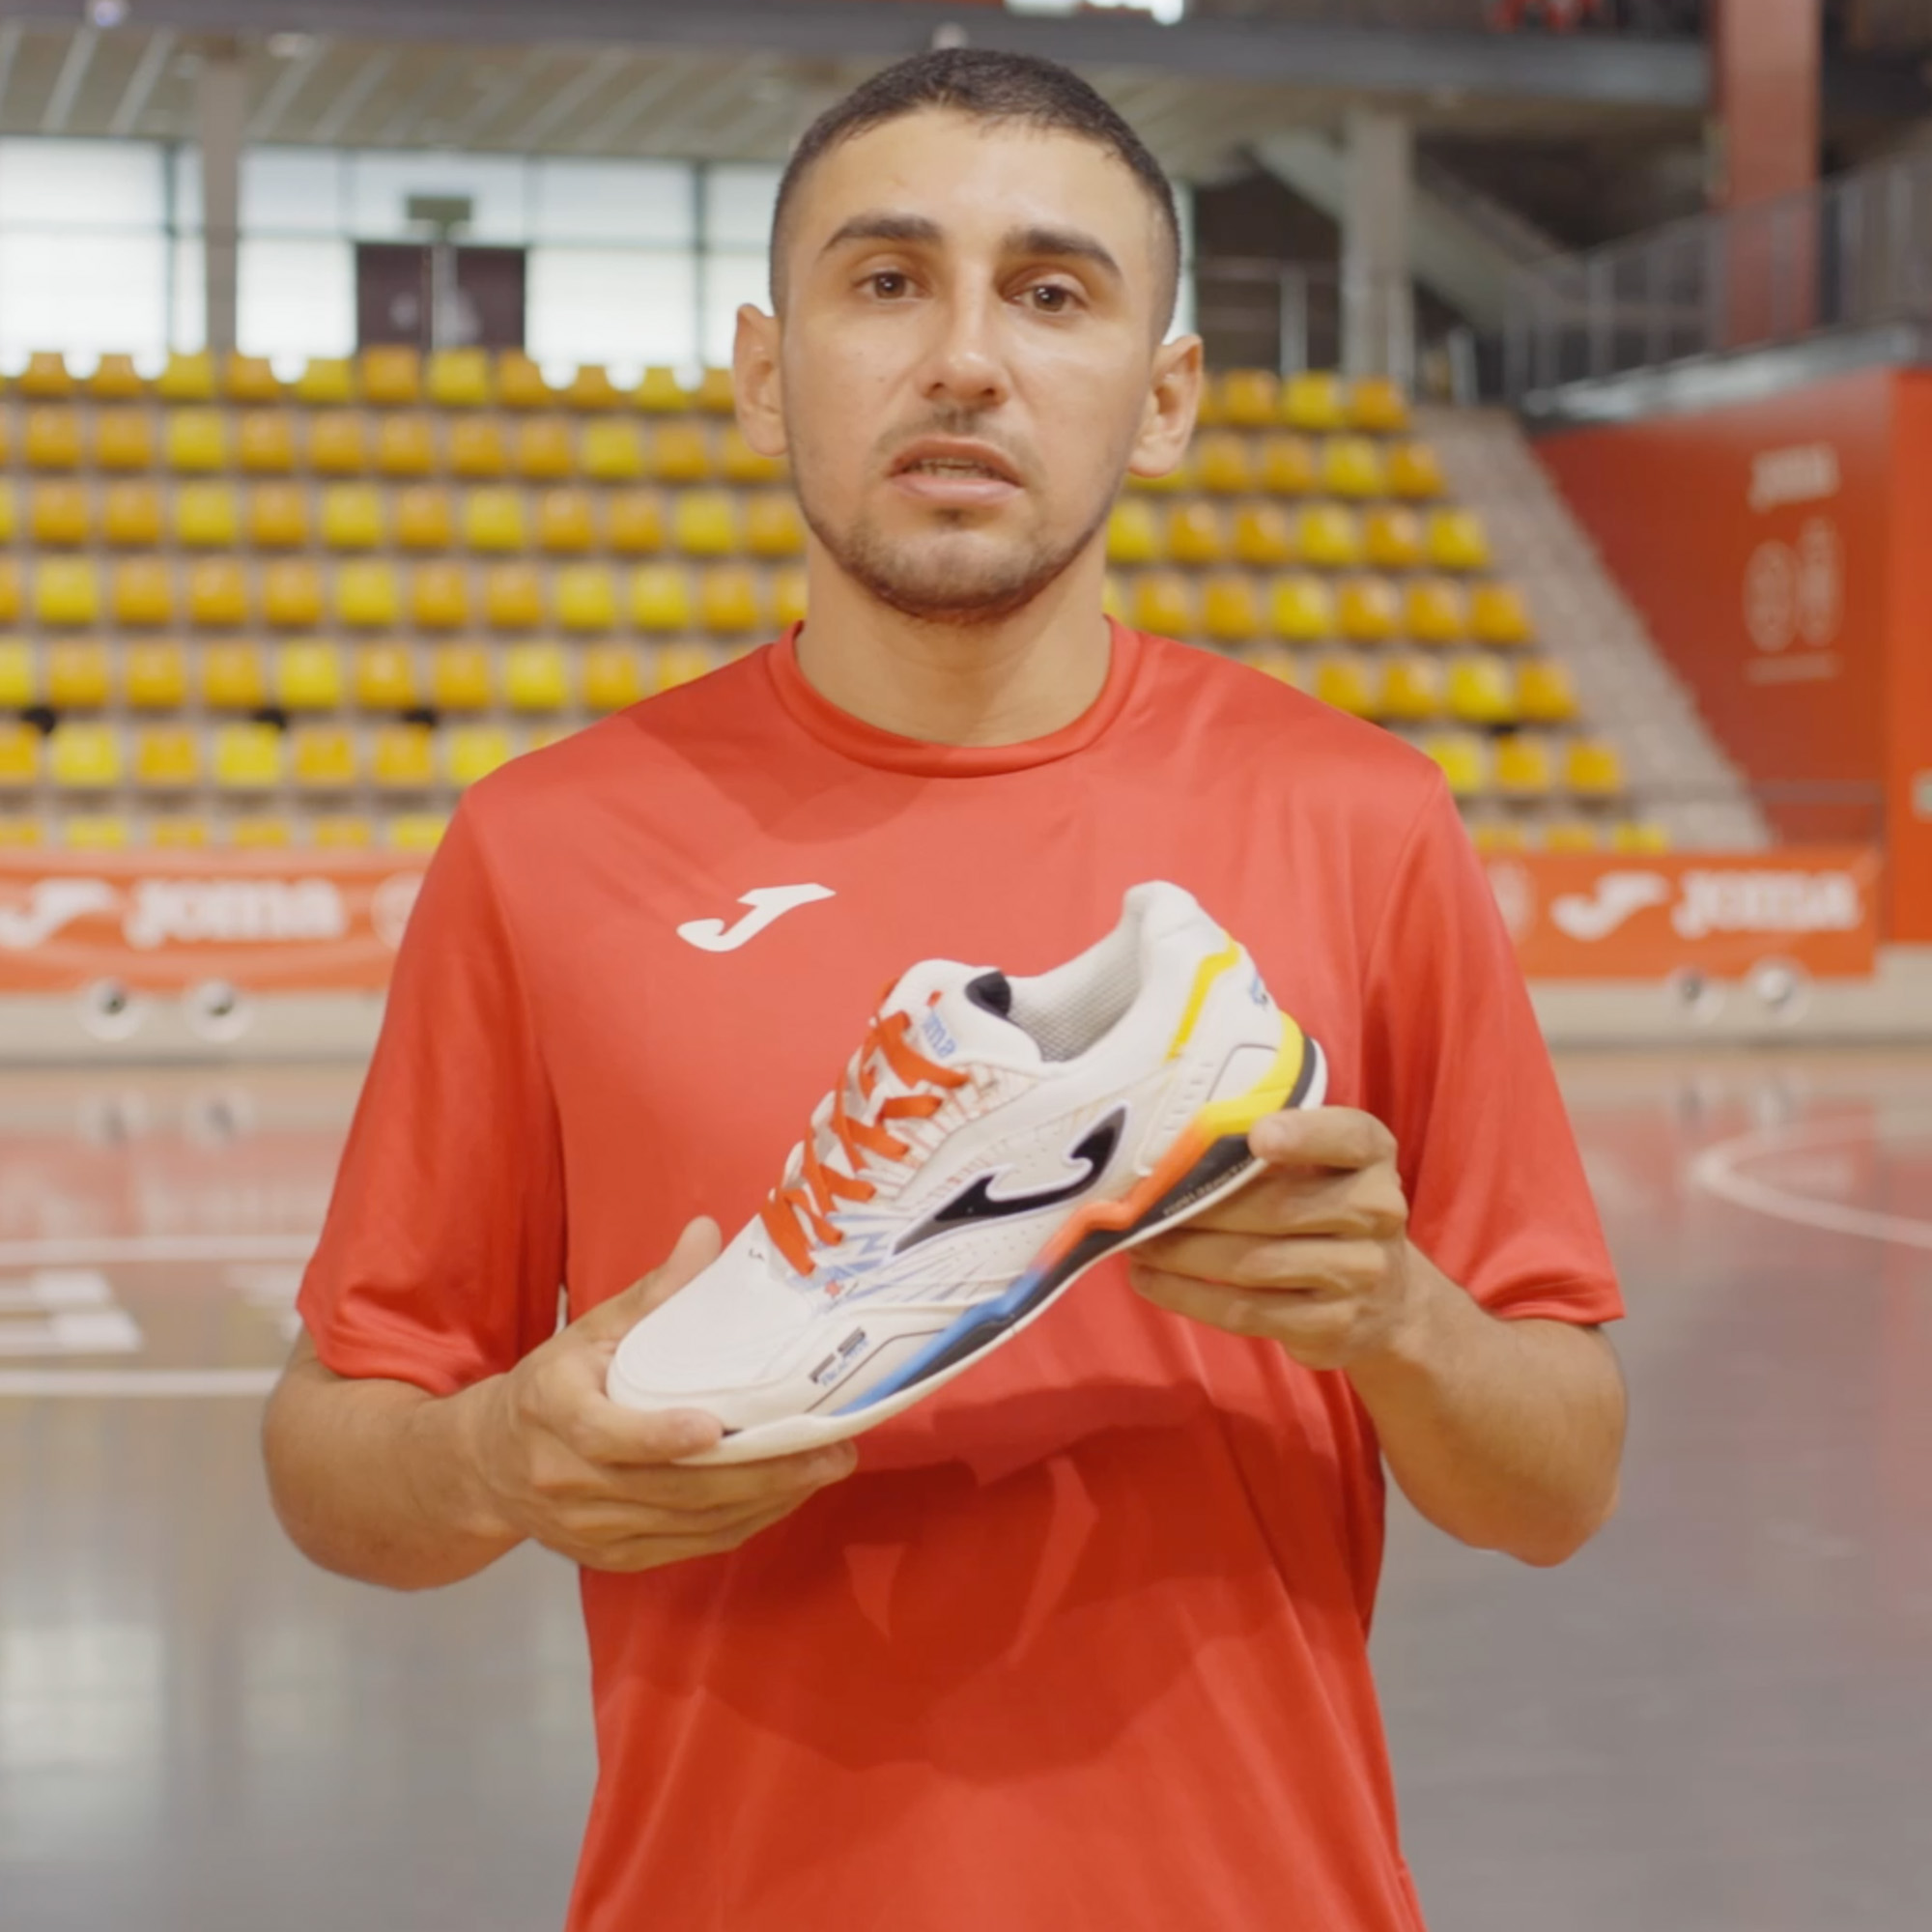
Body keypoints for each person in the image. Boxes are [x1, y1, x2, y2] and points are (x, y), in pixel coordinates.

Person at [264, 49, 1627, 1932]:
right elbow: (335, 1459)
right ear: (766, 374)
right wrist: (498, 1455)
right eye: (888, 281)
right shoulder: (546, 845)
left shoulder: (1360, 817)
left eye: (1050, 294)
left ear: (1164, 399)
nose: (966, 359)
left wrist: (1396, 1317)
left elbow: (1559, 1480)